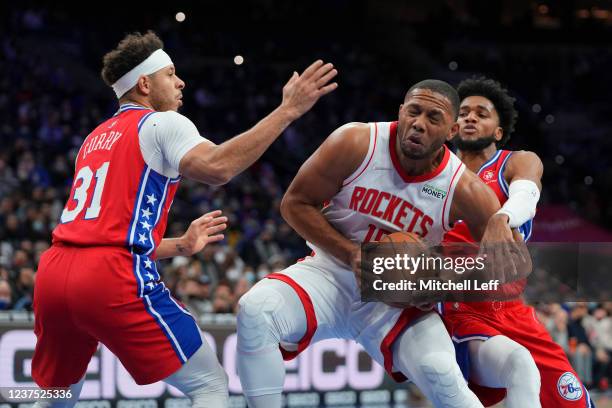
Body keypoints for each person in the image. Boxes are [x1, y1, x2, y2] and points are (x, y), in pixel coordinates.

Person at [31, 31, 337, 408]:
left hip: (54, 274)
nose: (181, 82)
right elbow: (219, 167)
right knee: (209, 385)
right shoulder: (161, 122)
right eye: (170, 73)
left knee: (57, 396)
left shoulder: (94, 138)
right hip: (108, 278)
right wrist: (288, 110)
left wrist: (181, 245)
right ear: (144, 84)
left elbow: (102, 233)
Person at [236, 79, 519, 408]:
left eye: (433, 118)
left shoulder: (465, 189)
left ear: (451, 130)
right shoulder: (356, 142)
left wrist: (440, 283)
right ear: (401, 111)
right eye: (413, 112)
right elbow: (294, 204)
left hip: (396, 301)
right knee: (255, 310)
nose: (418, 123)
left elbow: (506, 269)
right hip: (331, 273)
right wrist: (353, 254)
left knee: (441, 371)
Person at [440, 77, 595, 407]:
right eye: (463, 112)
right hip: (456, 309)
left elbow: (527, 194)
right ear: (452, 127)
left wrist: (502, 218)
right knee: (517, 367)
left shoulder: (517, 162)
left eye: (482, 113)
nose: (470, 117)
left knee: (574, 401)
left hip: (511, 308)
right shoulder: (434, 174)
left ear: (498, 131)